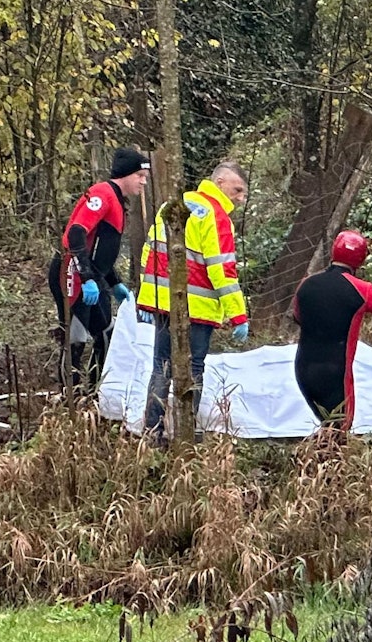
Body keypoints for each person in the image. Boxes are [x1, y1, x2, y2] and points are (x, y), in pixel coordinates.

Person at [136, 161, 250, 442]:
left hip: (163, 302)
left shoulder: (173, 205)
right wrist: (238, 315)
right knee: (193, 368)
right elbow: (222, 269)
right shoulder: (217, 216)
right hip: (196, 308)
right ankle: (185, 433)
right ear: (220, 182)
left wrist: (146, 300)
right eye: (237, 190)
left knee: (161, 366)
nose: (240, 198)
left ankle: (152, 432)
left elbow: (149, 252)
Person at [291, 230, 372, 428]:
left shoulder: (307, 283)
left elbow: (297, 317)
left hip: (303, 369)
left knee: (328, 427)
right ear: (360, 259)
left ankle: (313, 456)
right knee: (341, 427)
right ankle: (324, 458)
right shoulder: (362, 289)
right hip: (336, 372)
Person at [48, 147, 150, 389]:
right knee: (76, 338)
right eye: (140, 176)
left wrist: (114, 282)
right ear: (126, 174)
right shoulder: (102, 194)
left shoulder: (118, 201)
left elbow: (101, 249)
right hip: (71, 272)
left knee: (107, 334)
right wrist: (86, 277)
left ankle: (96, 393)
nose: (144, 182)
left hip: (93, 276)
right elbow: (76, 234)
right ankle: (68, 399)